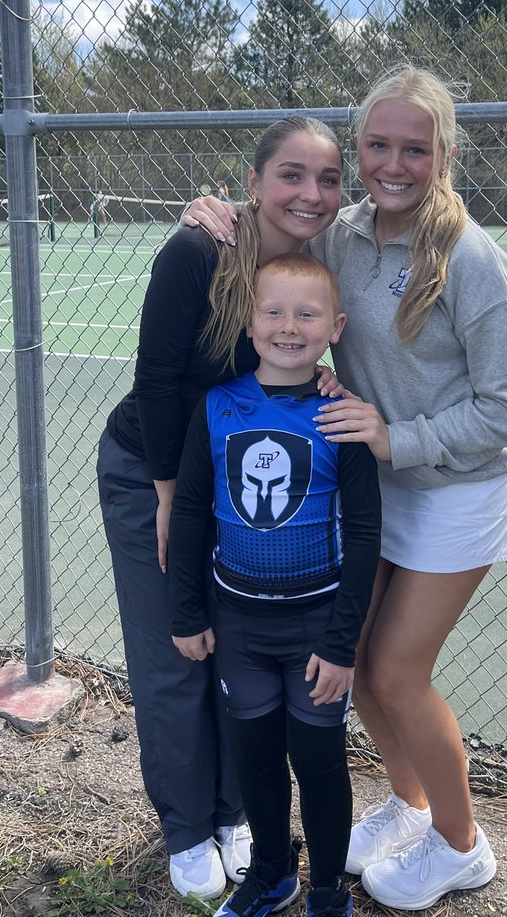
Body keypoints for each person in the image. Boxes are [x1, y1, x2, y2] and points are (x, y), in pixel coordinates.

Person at [184, 65, 507, 910]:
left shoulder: (472, 260)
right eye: (378, 146)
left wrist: (398, 438)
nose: (394, 165)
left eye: (415, 149)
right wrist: (218, 217)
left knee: (394, 672)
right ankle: (410, 802)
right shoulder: (344, 236)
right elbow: (275, 245)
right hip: (381, 487)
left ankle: (463, 845)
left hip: (461, 489)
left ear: (446, 154)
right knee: (352, 661)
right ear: (359, 149)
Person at [97, 116, 346, 901]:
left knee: (236, 647)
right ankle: (185, 825)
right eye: (291, 175)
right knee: (176, 647)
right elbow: (159, 379)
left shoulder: (322, 259)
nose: (310, 194)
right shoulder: (199, 250)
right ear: (253, 182)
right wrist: (173, 498)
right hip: (155, 472)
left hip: (245, 486)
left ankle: (235, 812)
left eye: (327, 179)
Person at [169, 253, 381, 917]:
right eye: (274, 312)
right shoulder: (218, 406)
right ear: (250, 321)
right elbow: (193, 511)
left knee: (319, 764)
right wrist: (186, 611)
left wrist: (344, 644)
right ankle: (270, 874)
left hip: (316, 629)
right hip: (238, 626)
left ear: (335, 327)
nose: (289, 327)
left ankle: (325, 891)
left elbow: (368, 535)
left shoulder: (340, 417)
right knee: (255, 757)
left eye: (307, 314)